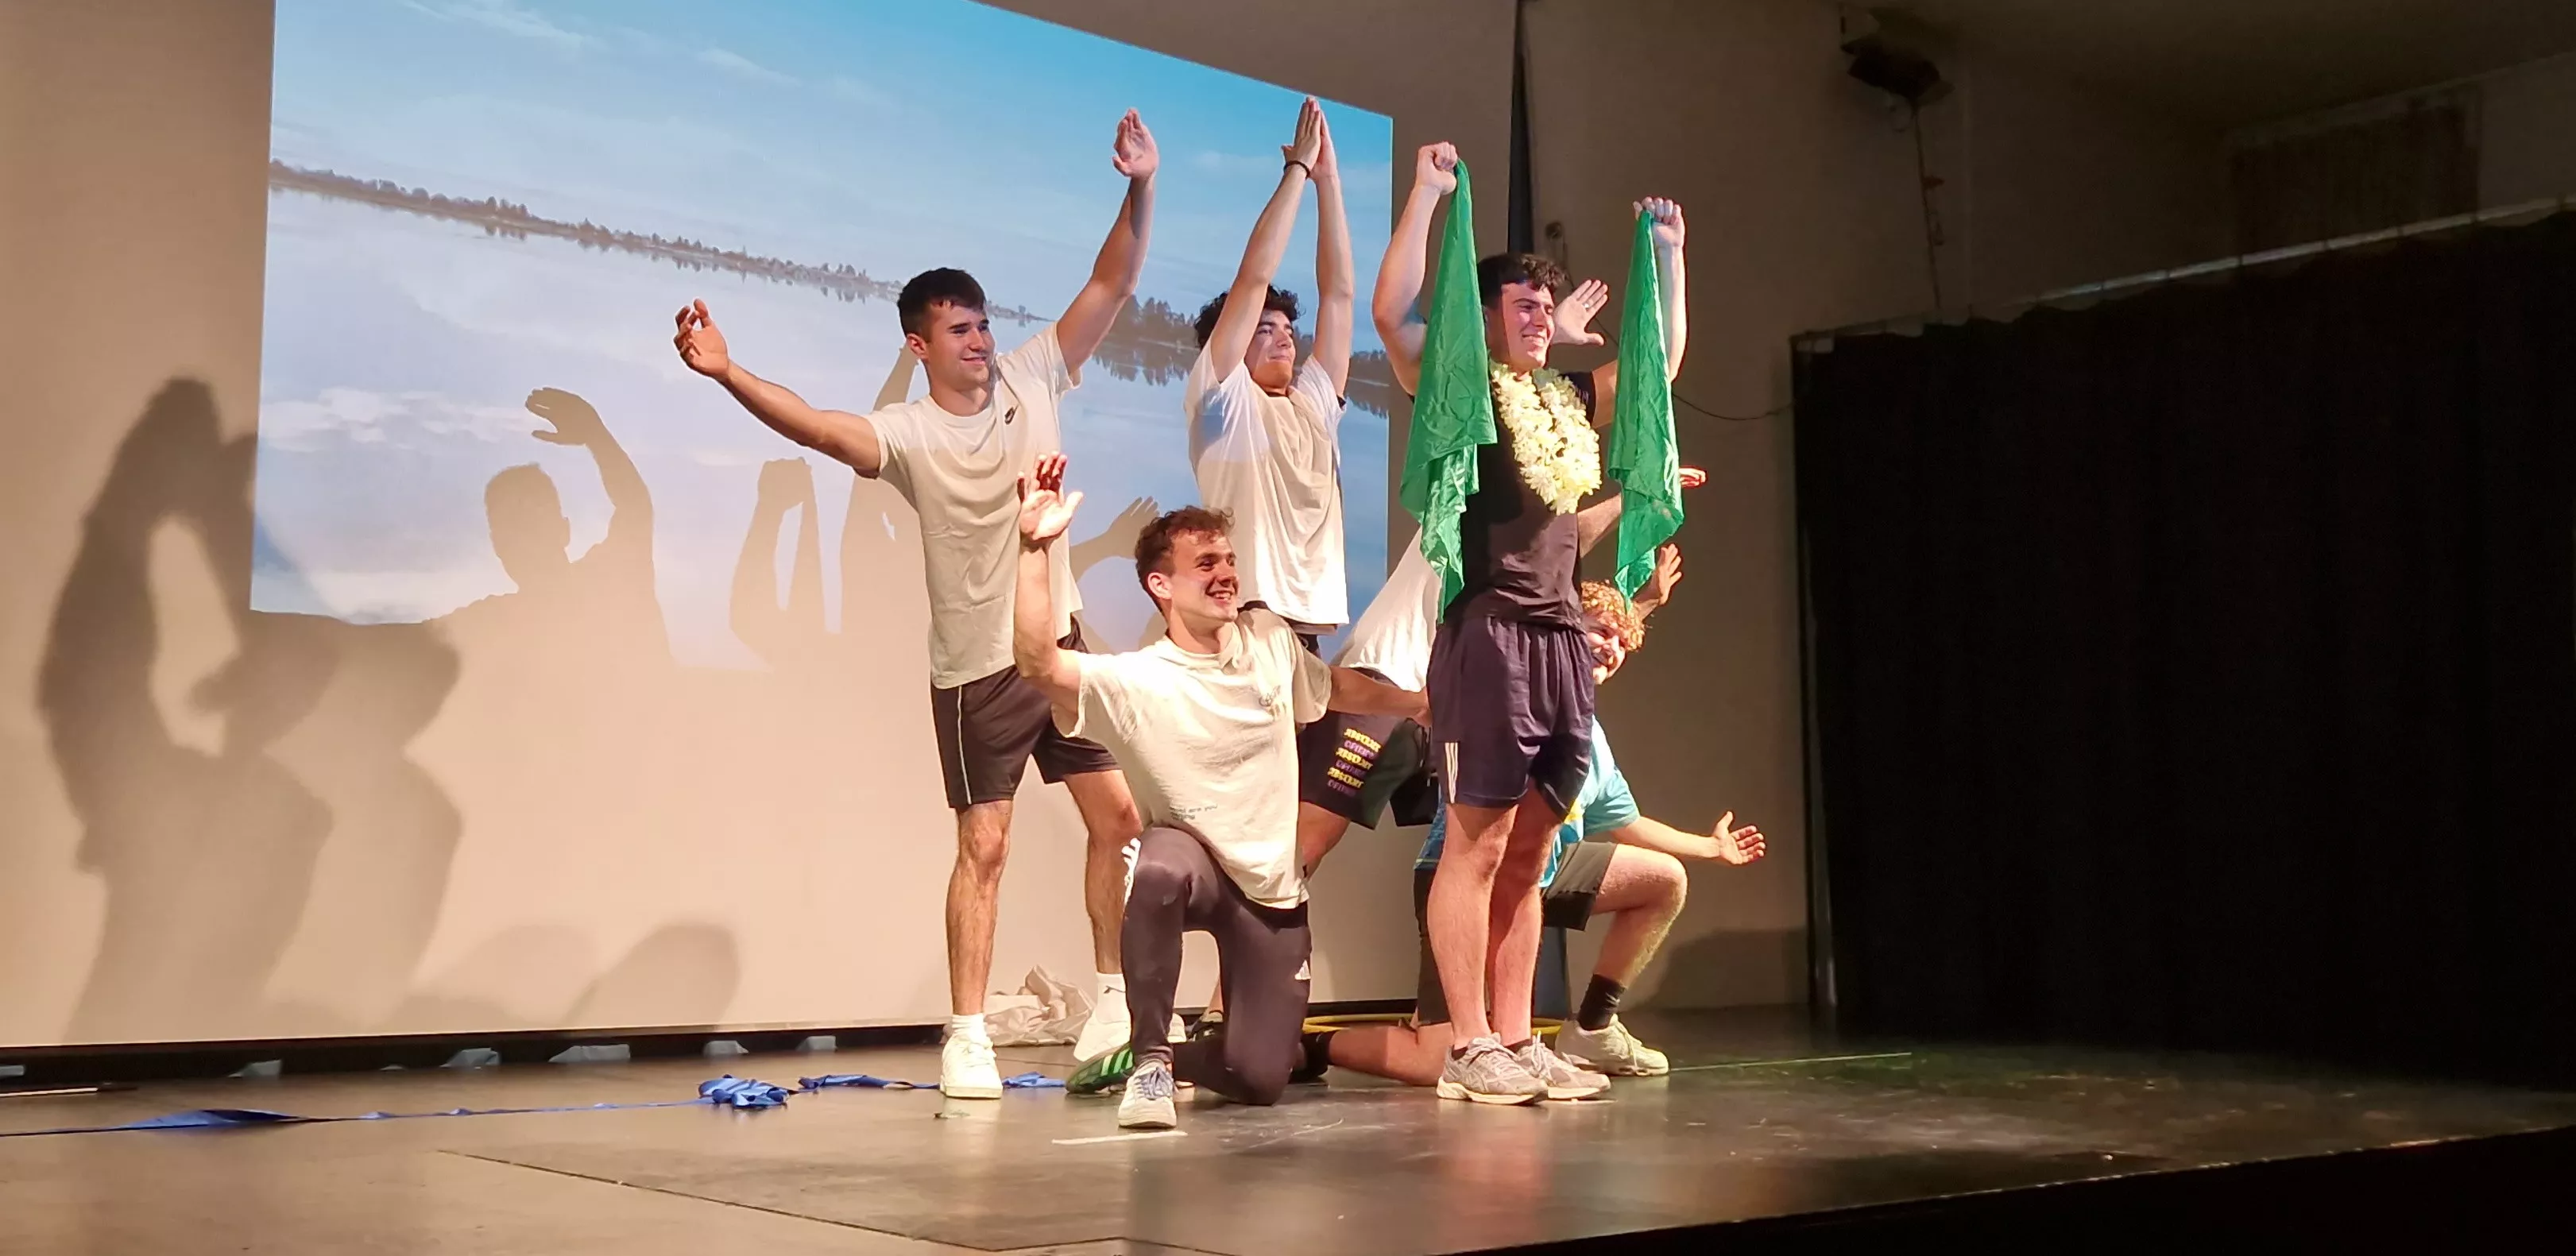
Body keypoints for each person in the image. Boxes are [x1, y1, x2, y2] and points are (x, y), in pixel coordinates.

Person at [674, 111, 1159, 1098]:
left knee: (1120, 818)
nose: (980, 342)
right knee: (985, 843)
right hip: (977, 664)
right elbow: (813, 425)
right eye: (959, 330)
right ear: (919, 344)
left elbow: (1110, 283)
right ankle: (967, 1034)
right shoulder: (905, 434)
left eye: (983, 324)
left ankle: (1112, 995)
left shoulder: (1033, 376)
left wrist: (1139, 186)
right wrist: (726, 371)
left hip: (1058, 649)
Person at [1374, 140, 1692, 1103]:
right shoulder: (1458, 390)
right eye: (1523, 307)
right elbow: (1393, 314)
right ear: (1481, 321)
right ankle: (1467, 1044)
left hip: (1561, 642)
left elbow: (1654, 369)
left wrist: (1668, 259)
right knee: (1472, 845)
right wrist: (1428, 193)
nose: (1543, 323)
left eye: (1547, 310)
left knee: (1531, 851)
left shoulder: (1560, 397)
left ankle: (1516, 1035)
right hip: (1489, 637)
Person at [1010, 454, 1427, 1130]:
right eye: (1204, 563)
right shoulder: (1140, 679)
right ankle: (1149, 1061)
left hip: (1270, 890)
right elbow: (1039, 662)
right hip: (1197, 866)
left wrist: (1416, 702)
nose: (1225, 572)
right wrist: (1034, 549)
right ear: (1161, 585)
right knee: (1159, 861)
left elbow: (1334, 689)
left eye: (1228, 559)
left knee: (1259, 1076)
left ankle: (1173, 1054)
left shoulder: (1268, 639)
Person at [1325, 570, 1766, 1093]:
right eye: (1600, 632)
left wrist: (1710, 848)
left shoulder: (1585, 735)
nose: (1612, 648)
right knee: (1434, 1061)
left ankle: (1594, 1026)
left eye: (1622, 643)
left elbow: (1623, 822)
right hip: (1471, 880)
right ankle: (1310, 1045)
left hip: (1540, 875)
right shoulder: (1518, 698)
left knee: (1664, 878)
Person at [1185, 95, 1356, 655]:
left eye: (1287, 327)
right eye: (1264, 328)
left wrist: (1330, 184)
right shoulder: (1224, 401)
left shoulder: (1311, 403)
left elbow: (1339, 294)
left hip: (1305, 630)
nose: (1283, 335)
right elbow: (1254, 276)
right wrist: (1297, 173)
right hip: (1245, 621)